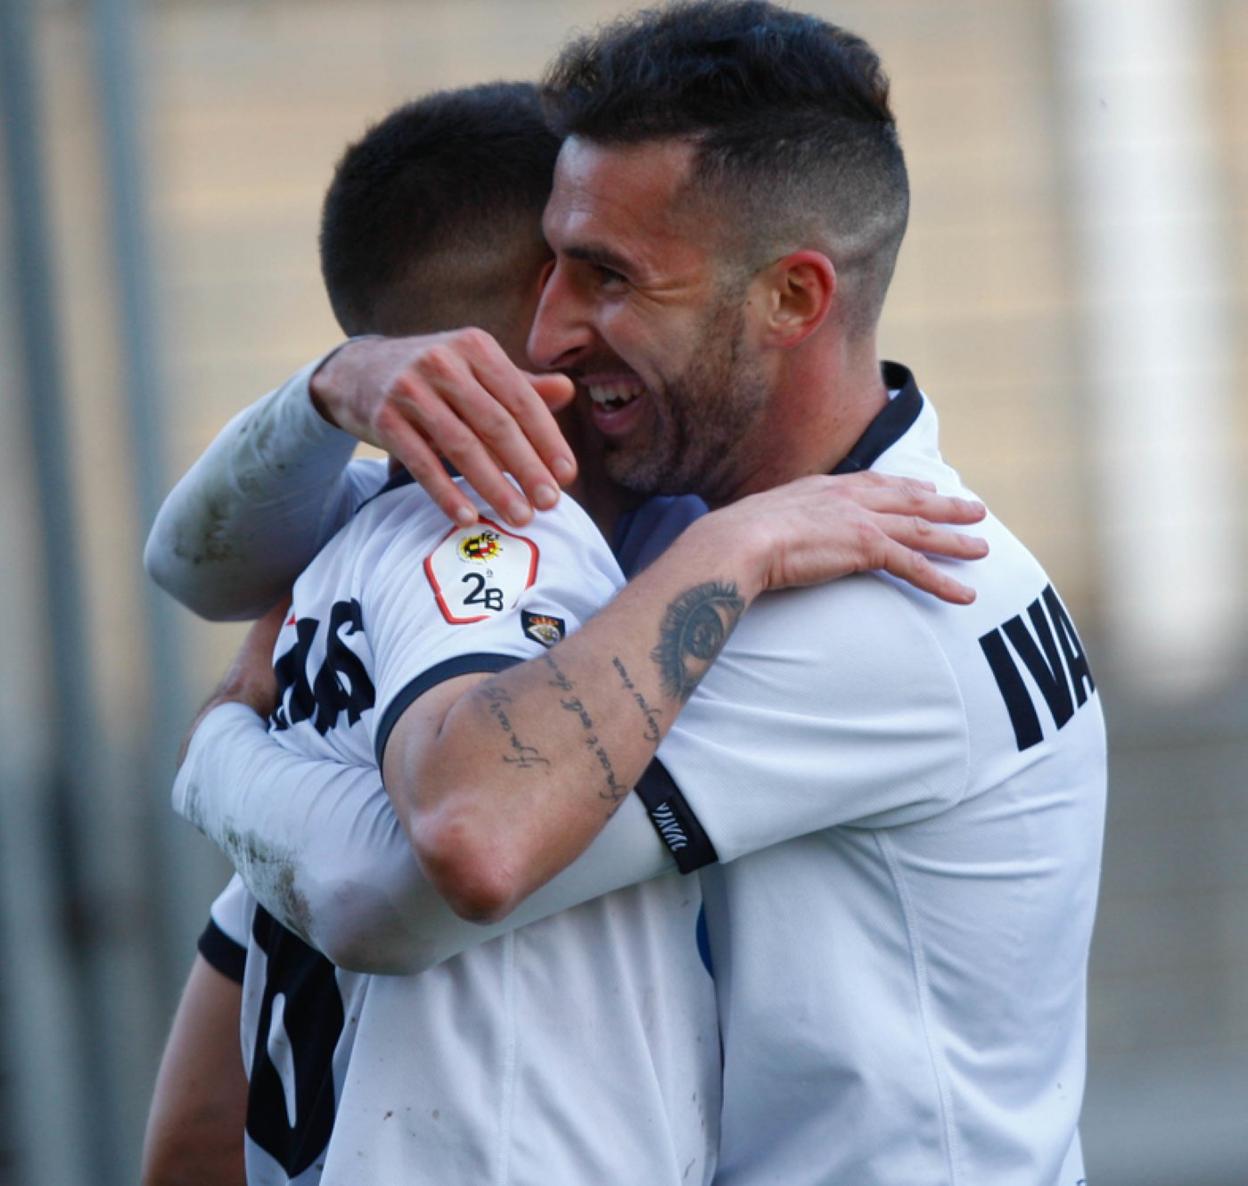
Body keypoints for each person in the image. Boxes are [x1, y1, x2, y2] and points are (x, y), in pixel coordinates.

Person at [144, 75, 988, 1186]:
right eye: (594, 271)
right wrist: (735, 549)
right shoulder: (509, 544)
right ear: (542, 318)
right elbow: (461, 847)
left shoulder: (348, 567)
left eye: (616, 272)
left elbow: (192, 1136)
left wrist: (222, 753)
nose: (594, 311)